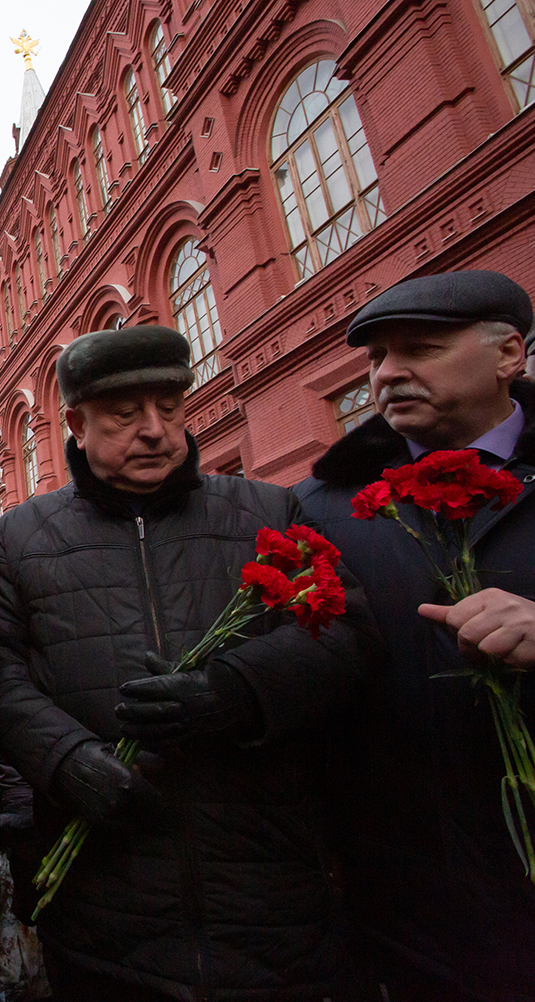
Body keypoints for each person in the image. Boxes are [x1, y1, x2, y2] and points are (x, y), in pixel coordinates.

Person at [0, 325, 374, 1002]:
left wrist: (235, 691)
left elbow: (348, 636)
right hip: (108, 910)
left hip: (270, 901)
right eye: (125, 415)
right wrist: (65, 760)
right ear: (75, 424)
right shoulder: (22, 539)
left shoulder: (264, 509)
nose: (156, 431)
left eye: (169, 405)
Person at [294, 270, 535, 1001]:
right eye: (376, 359)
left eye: (420, 349)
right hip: (411, 915)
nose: (387, 374)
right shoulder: (322, 508)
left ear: (510, 355)